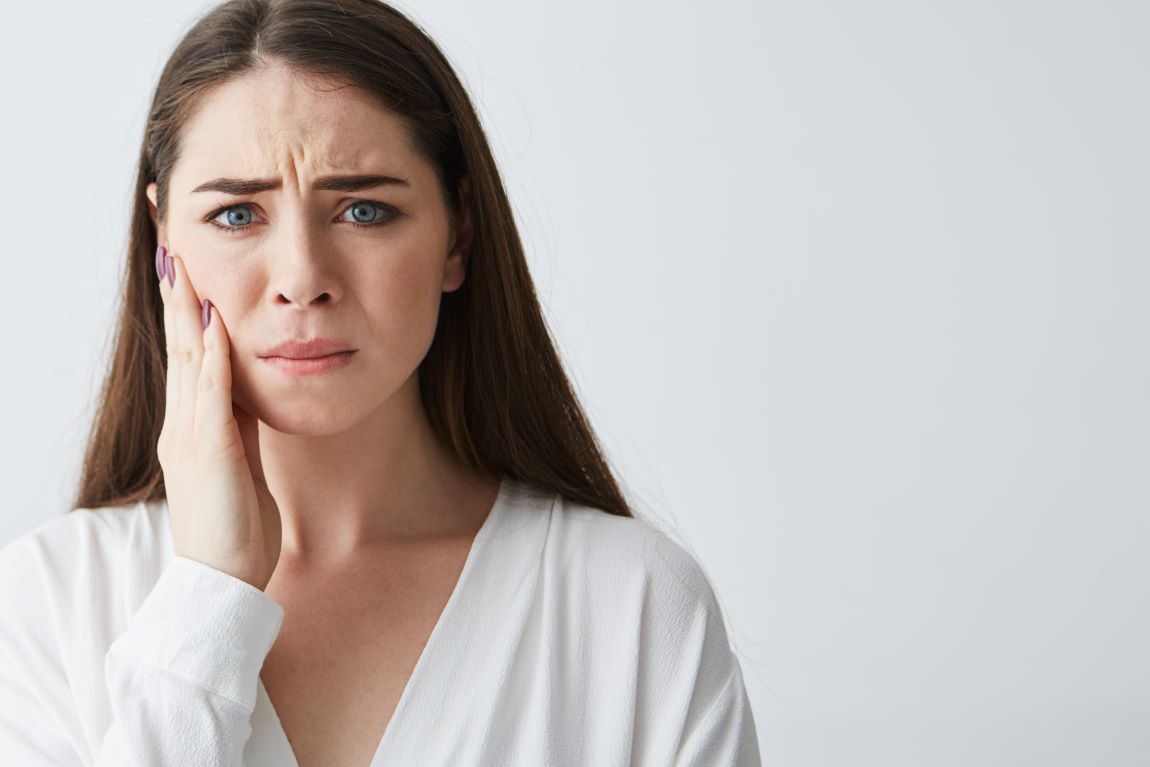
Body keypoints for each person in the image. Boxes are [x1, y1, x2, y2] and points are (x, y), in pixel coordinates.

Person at [0, 0, 762, 764]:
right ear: (164, 238)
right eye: (236, 215)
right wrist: (207, 594)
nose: (303, 279)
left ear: (457, 236)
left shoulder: (635, 609)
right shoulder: (49, 602)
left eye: (364, 209)